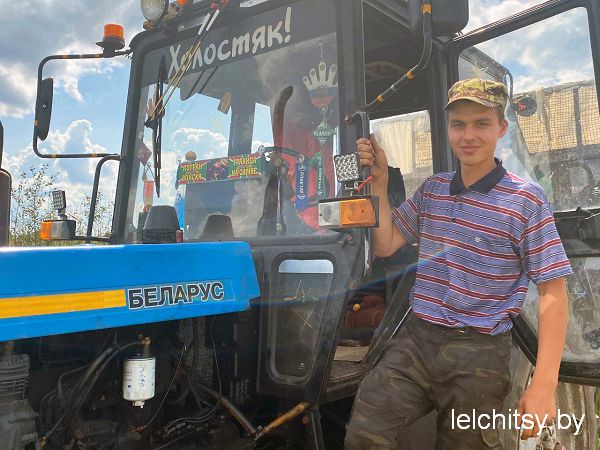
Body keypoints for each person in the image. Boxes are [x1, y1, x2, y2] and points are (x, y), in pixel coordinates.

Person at [344, 79, 572, 449]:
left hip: (480, 353)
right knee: (363, 435)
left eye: (481, 123)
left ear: (501, 128)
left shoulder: (526, 201)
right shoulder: (432, 190)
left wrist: (545, 383)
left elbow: (552, 290)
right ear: (448, 129)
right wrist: (380, 183)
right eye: (458, 124)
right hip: (417, 340)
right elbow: (385, 244)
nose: (468, 135)